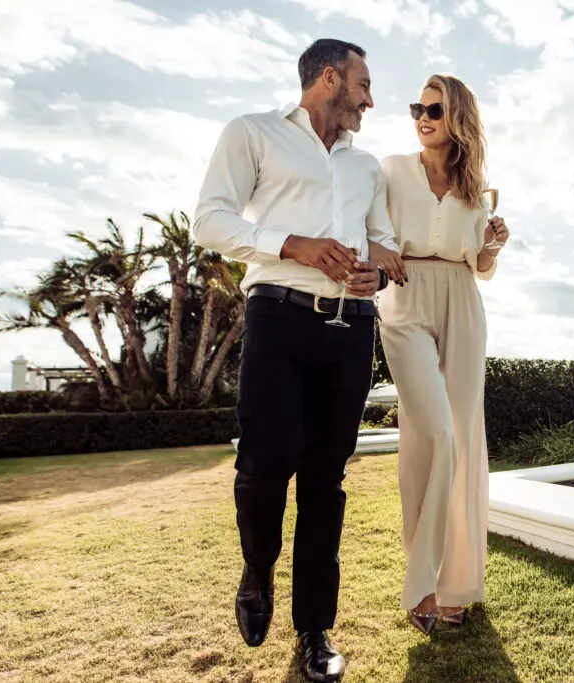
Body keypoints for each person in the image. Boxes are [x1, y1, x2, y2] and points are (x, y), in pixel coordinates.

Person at [192, 38, 398, 683]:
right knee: (264, 462)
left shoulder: (367, 168)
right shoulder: (253, 133)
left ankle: (315, 630)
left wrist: (378, 273)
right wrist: (291, 244)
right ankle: (257, 569)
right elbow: (210, 221)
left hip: (350, 329)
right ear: (329, 78)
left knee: (325, 479)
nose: (370, 99)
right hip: (278, 318)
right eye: (363, 85)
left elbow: (385, 241)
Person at [367, 74, 511, 635]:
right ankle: (421, 583)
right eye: (417, 107)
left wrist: (493, 245)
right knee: (432, 435)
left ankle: (453, 587)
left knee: (463, 439)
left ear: (458, 119)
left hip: (462, 300)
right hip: (403, 299)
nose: (421, 117)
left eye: (433, 108)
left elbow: (480, 265)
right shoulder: (389, 171)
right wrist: (377, 249)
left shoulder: (477, 189)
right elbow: (367, 230)